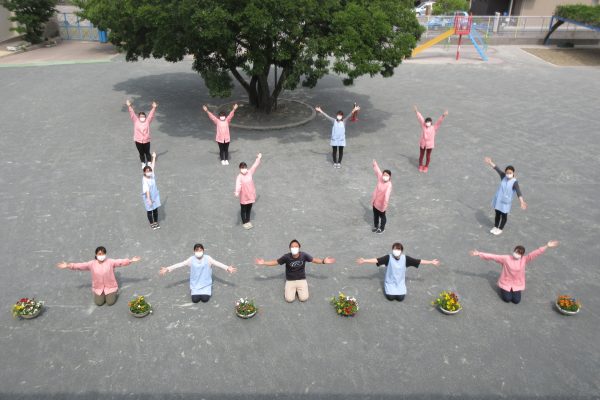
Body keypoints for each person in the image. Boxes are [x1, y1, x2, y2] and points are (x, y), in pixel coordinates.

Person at [469, 240, 559, 304]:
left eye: (519, 253)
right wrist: (479, 254)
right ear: (514, 251)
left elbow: (536, 253)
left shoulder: (524, 259)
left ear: (522, 254)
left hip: (517, 284)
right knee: (507, 299)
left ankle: (512, 291)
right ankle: (502, 288)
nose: (517, 253)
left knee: (516, 301)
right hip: (506, 282)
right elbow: (493, 256)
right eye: (516, 251)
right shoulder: (506, 258)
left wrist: (547, 246)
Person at [255, 239, 335, 303]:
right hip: (290, 281)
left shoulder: (304, 255)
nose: (294, 248)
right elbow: (275, 262)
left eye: (296, 246)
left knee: (304, 298)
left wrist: (323, 261)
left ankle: (297, 291)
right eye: (292, 247)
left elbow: (314, 260)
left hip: (301, 279)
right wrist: (264, 262)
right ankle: (293, 290)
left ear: (299, 247)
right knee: (289, 299)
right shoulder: (286, 257)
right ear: (290, 248)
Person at [56, 247, 141, 306]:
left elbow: (120, 262)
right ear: (96, 255)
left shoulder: (110, 262)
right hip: (98, 288)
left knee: (110, 303)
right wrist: (68, 265)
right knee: (99, 303)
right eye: (100, 254)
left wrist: (131, 260)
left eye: (103, 253)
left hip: (110, 287)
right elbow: (80, 265)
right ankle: (102, 294)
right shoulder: (91, 264)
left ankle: (114, 292)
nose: (101, 255)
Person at [357, 242, 440, 301]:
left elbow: (418, 261)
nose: (396, 251)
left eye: (398, 249)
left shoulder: (406, 258)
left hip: (400, 283)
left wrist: (431, 262)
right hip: (390, 282)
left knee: (400, 298)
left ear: (401, 251)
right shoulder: (388, 257)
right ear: (392, 250)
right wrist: (365, 260)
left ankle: (399, 291)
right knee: (391, 298)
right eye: (394, 249)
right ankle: (390, 290)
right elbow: (376, 260)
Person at [159, 243, 237, 303]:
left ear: (203, 250)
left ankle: (205, 291)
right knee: (195, 300)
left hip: (205, 284)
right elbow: (180, 264)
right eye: (197, 250)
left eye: (200, 250)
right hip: (195, 284)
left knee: (205, 299)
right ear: (194, 251)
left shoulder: (208, 258)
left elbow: (217, 263)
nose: (199, 252)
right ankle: (195, 291)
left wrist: (227, 268)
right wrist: (168, 269)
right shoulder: (191, 259)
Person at [484, 157, 527, 235]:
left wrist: (522, 201)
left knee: (504, 215)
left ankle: (500, 228)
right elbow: (496, 168)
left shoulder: (515, 182)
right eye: (507, 172)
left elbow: (518, 192)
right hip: (498, 200)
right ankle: (496, 226)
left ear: (513, 173)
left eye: (510, 172)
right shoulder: (503, 176)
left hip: (505, 202)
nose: (508, 174)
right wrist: (490, 162)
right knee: (497, 213)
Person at [315, 104, 360, 168]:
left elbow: (350, 115)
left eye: (340, 115)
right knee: (334, 151)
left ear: (342, 116)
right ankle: (335, 162)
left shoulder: (344, 121)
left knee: (341, 151)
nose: (339, 116)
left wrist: (354, 109)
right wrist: (320, 110)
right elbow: (327, 116)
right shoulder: (334, 121)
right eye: (338, 115)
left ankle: (339, 163)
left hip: (341, 140)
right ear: (337, 115)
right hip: (334, 139)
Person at [413, 105, 448, 172]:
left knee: (428, 156)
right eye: (426, 122)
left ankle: (426, 166)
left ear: (431, 122)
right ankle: (420, 165)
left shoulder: (434, 128)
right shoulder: (423, 126)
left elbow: (439, 122)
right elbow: (421, 118)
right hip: (423, 144)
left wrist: (443, 115)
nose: (427, 123)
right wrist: (416, 111)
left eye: (429, 122)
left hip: (430, 145)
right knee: (421, 155)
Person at [127, 99, 158, 168]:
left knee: (147, 152)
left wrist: (154, 107)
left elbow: (151, 115)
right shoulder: (136, 121)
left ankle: (149, 163)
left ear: (145, 117)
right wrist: (129, 106)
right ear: (138, 117)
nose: (142, 117)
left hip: (146, 140)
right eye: (141, 116)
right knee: (141, 153)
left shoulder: (147, 121)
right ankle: (143, 163)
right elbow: (132, 113)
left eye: (143, 116)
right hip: (138, 141)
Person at [234, 153, 262, 229]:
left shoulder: (250, 172)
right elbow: (238, 185)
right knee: (243, 210)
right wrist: (237, 192)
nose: (244, 169)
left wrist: (258, 158)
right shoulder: (239, 177)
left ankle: (248, 221)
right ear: (240, 169)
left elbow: (255, 165)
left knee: (249, 209)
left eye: (245, 167)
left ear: (247, 168)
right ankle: (244, 222)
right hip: (244, 196)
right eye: (242, 168)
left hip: (251, 195)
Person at [371, 159, 392, 234]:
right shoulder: (380, 179)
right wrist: (375, 164)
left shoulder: (389, 185)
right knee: (375, 216)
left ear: (389, 177)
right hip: (375, 202)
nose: (384, 176)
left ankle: (382, 228)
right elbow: (378, 171)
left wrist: (384, 206)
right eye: (384, 175)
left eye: (387, 175)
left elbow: (386, 196)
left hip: (382, 205)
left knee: (382, 217)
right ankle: (376, 226)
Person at [142, 152, 161, 230]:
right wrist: (149, 199)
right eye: (147, 171)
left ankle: (156, 222)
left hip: (155, 195)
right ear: (144, 172)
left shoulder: (152, 175)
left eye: (149, 171)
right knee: (150, 210)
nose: (149, 172)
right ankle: (152, 223)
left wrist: (153, 157)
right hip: (148, 196)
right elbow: (147, 191)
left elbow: (152, 166)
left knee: (155, 209)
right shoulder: (145, 180)